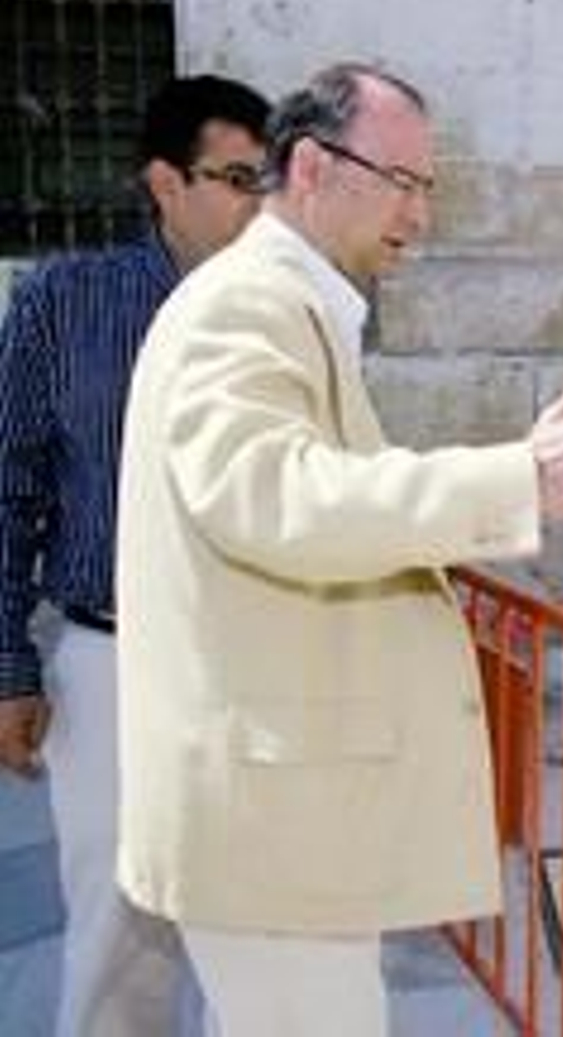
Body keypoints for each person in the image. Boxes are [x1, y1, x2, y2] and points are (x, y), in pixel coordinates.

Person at [113, 62, 563, 1036]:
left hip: (280, 819)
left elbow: (323, 492)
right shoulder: (244, 307)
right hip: (271, 827)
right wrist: (524, 480)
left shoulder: (287, 307)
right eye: (401, 181)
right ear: (308, 166)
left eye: (428, 188)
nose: (418, 215)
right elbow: (280, 497)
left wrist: (515, 470)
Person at [0, 74, 271, 1037]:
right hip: (113, 661)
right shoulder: (64, 305)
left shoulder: (298, 314)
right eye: (238, 178)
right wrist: (9, 666)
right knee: (120, 935)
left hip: (261, 668)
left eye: (269, 180)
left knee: (261, 936)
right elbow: (10, 490)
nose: (260, 203)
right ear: (165, 182)